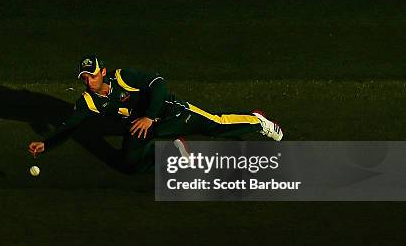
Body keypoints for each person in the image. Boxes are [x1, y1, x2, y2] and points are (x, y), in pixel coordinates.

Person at [28, 55, 283, 173]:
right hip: (142, 126)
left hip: (170, 112)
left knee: (215, 125)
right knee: (127, 164)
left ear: (103, 72)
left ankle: (256, 121)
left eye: (92, 75)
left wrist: (150, 115)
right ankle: (174, 148)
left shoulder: (124, 77)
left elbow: (159, 83)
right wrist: (46, 144)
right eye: (84, 77)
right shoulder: (88, 101)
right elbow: (70, 124)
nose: (89, 81)